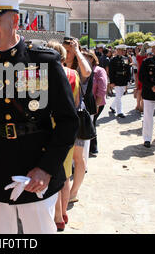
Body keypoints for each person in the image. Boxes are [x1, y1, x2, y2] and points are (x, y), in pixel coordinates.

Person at [0, 0, 79, 234]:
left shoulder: (44, 61)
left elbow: (69, 121)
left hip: (36, 170)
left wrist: (47, 168)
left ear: (15, 20)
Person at [46, 41, 79, 232]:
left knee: (53, 172)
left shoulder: (44, 74)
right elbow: (75, 103)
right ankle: (63, 213)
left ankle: (57, 215)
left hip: (49, 127)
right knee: (66, 174)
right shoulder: (73, 74)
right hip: (67, 126)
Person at [62, 38, 94, 206]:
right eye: (65, 50)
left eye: (70, 51)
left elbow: (88, 71)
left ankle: (73, 192)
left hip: (76, 117)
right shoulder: (56, 66)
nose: (67, 54)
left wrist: (77, 51)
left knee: (78, 157)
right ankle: (64, 191)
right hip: (59, 118)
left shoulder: (79, 68)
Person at [83, 50, 108, 157]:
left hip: (96, 103)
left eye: (85, 57)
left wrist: (96, 104)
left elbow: (102, 89)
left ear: (92, 58)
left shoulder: (99, 70)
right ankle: (91, 147)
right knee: (89, 124)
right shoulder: (82, 69)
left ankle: (92, 148)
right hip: (85, 103)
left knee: (90, 124)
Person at [109, 44, 132, 118]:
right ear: (117, 50)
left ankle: (112, 106)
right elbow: (111, 71)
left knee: (120, 95)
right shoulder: (113, 59)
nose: (122, 52)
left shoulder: (126, 59)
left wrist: (128, 79)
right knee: (118, 96)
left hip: (123, 79)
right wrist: (112, 81)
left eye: (123, 50)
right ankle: (120, 112)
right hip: (116, 79)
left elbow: (128, 70)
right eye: (121, 50)